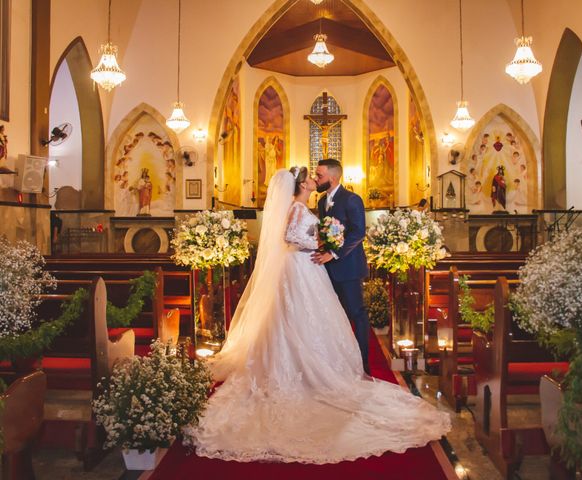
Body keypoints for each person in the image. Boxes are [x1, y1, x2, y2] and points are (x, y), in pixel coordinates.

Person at [185, 167, 450, 463]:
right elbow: (290, 236)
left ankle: (324, 364)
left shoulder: (313, 204)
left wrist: (325, 243)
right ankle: (303, 370)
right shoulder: (299, 207)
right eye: (310, 176)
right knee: (295, 316)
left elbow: (318, 232)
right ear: (301, 185)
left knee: (308, 317)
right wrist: (320, 242)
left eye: (317, 174)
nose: (314, 178)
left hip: (307, 267)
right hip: (300, 266)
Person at [313, 159, 370, 374]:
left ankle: (363, 362)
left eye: (320, 175)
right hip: (326, 268)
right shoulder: (321, 202)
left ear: (333, 178)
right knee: (334, 314)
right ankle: (341, 359)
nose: (316, 179)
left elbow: (358, 232)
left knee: (357, 313)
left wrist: (334, 253)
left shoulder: (352, 199)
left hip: (349, 267)